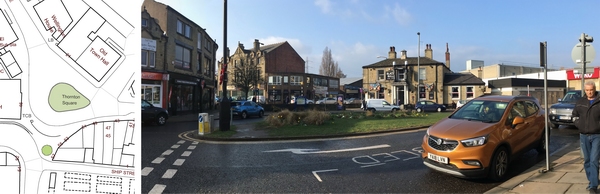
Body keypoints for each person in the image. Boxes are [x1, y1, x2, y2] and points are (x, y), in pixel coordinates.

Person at [572, 81, 600, 193]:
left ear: (595, 89)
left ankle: (593, 186)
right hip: (583, 135)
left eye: (591, 90)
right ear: (585, 90)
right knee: (587, 160)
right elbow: (574, 116)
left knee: (594, 160)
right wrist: (579, 125)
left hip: (597, 135)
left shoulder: (599, 101)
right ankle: (592, 179)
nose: (589, 92)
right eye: (587, 90)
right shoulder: (580, 102)